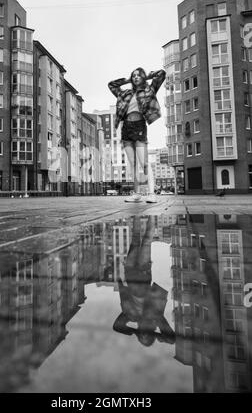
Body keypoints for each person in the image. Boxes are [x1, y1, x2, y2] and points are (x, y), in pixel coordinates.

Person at [113, 216, 175, 347]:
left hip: (130, 271)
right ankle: (152, 215)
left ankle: (136, 213)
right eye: (147, 336)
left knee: (135, 240)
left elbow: (117, 327)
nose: (143, 335)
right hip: (143, 271)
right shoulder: (156, 317)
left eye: (141, 337)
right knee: (147, 240)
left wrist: (135, 332)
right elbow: (171, 339)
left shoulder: (131, 316)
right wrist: (156, 334)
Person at [108, 67, 166, 203]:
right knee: (132, 164)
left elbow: (161, 74)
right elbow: (112, 85)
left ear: (143, 77)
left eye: (138, 75)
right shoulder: (125, 93)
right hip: (126, 129)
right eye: (133, 76)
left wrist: (147, 76)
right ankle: (137, 194)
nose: (135, 77)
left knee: (144, 162)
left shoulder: (149, 90)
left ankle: (152, 194)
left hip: (139, 126)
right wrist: (127, 79)